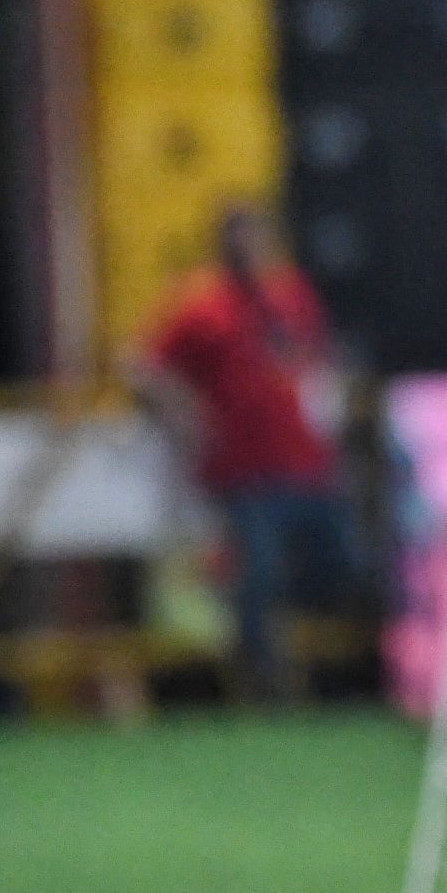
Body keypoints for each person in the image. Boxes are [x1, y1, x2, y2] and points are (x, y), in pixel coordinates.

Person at [134, 204, 360, 694]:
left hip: (305, 462)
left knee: (343, 563)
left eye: (253, 240)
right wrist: (183, 411)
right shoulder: (202, 307)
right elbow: (143, 364)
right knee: (257, 574)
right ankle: (262, 680)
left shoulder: (291, 295)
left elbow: (319, 360)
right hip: (243, 469)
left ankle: (326, 665)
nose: (246, 251)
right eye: (236, 242)